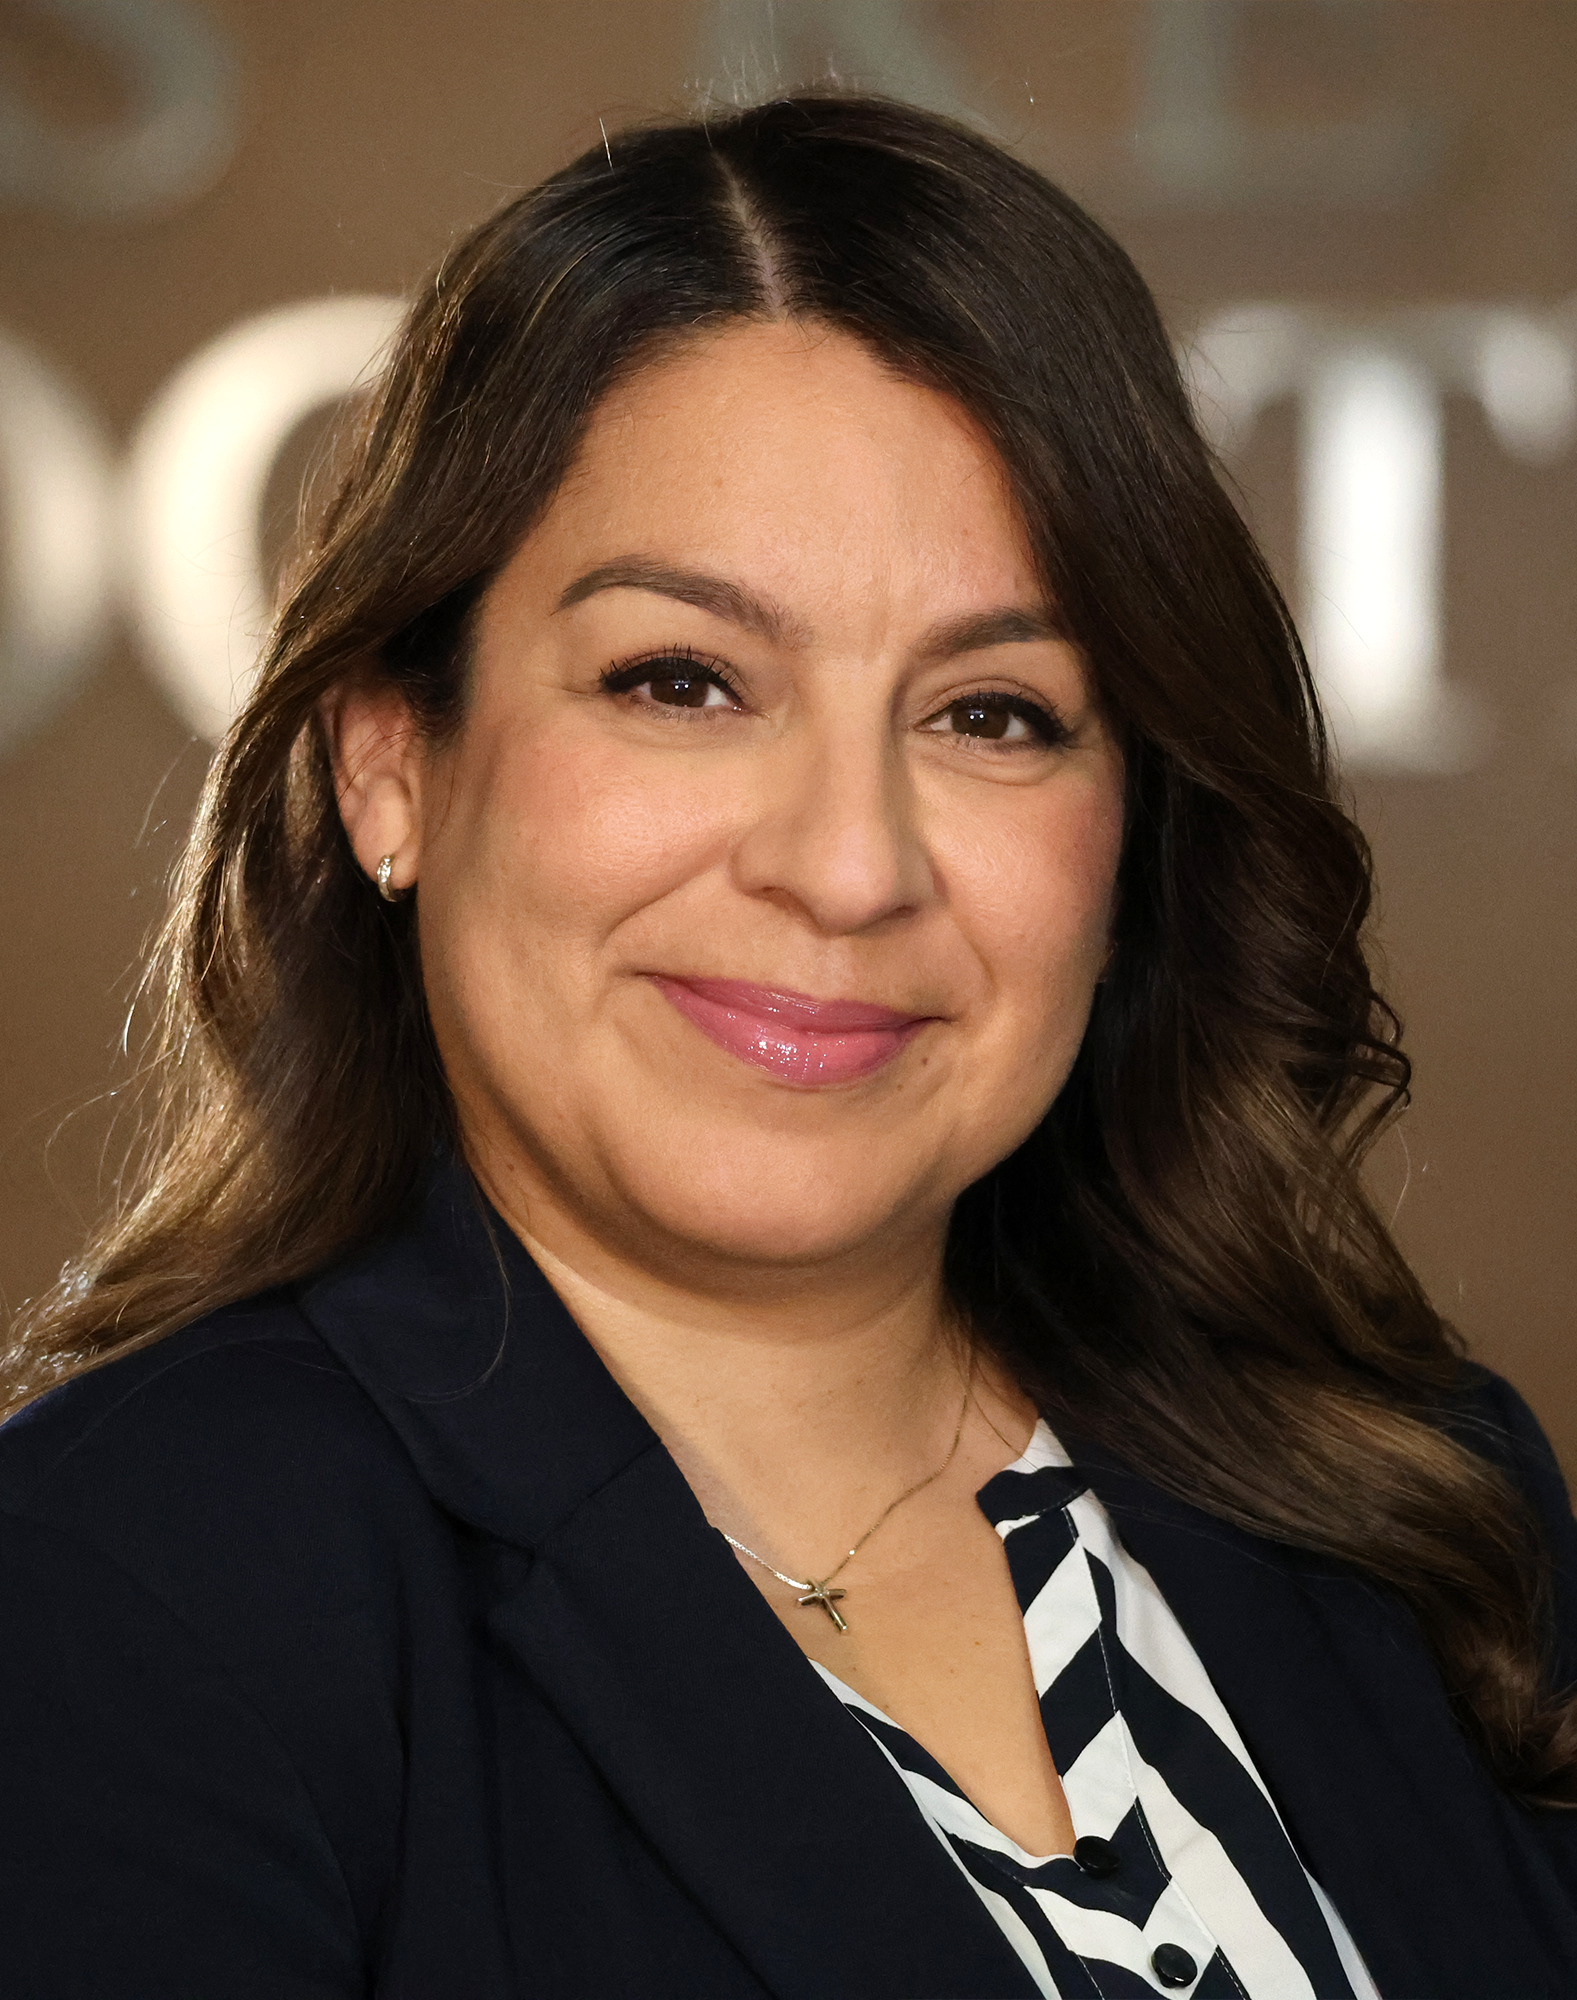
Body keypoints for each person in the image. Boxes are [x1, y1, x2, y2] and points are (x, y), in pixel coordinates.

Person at [1, 92, 1573, 2000]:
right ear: (391, 764)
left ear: (1134, 822)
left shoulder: (1414, 1507)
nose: (846, 866)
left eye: (995, 713)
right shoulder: (122, 1590)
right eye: (683, 680)